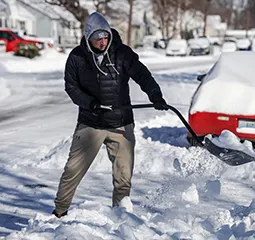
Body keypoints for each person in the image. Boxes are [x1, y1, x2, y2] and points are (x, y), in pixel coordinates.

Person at [52, 12, 168, 218]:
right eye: (98, 39)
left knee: (123, 177)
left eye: (105, 37)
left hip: (121, 123)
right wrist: (91, 104)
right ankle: (60, 212)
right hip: (90, 123)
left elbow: (142, 75)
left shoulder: (121, 53)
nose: (103, 42)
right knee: (72, 170)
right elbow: (71, 87)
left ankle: (120, 218)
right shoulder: (77, 57)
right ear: (88, 38)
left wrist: (155, 94)